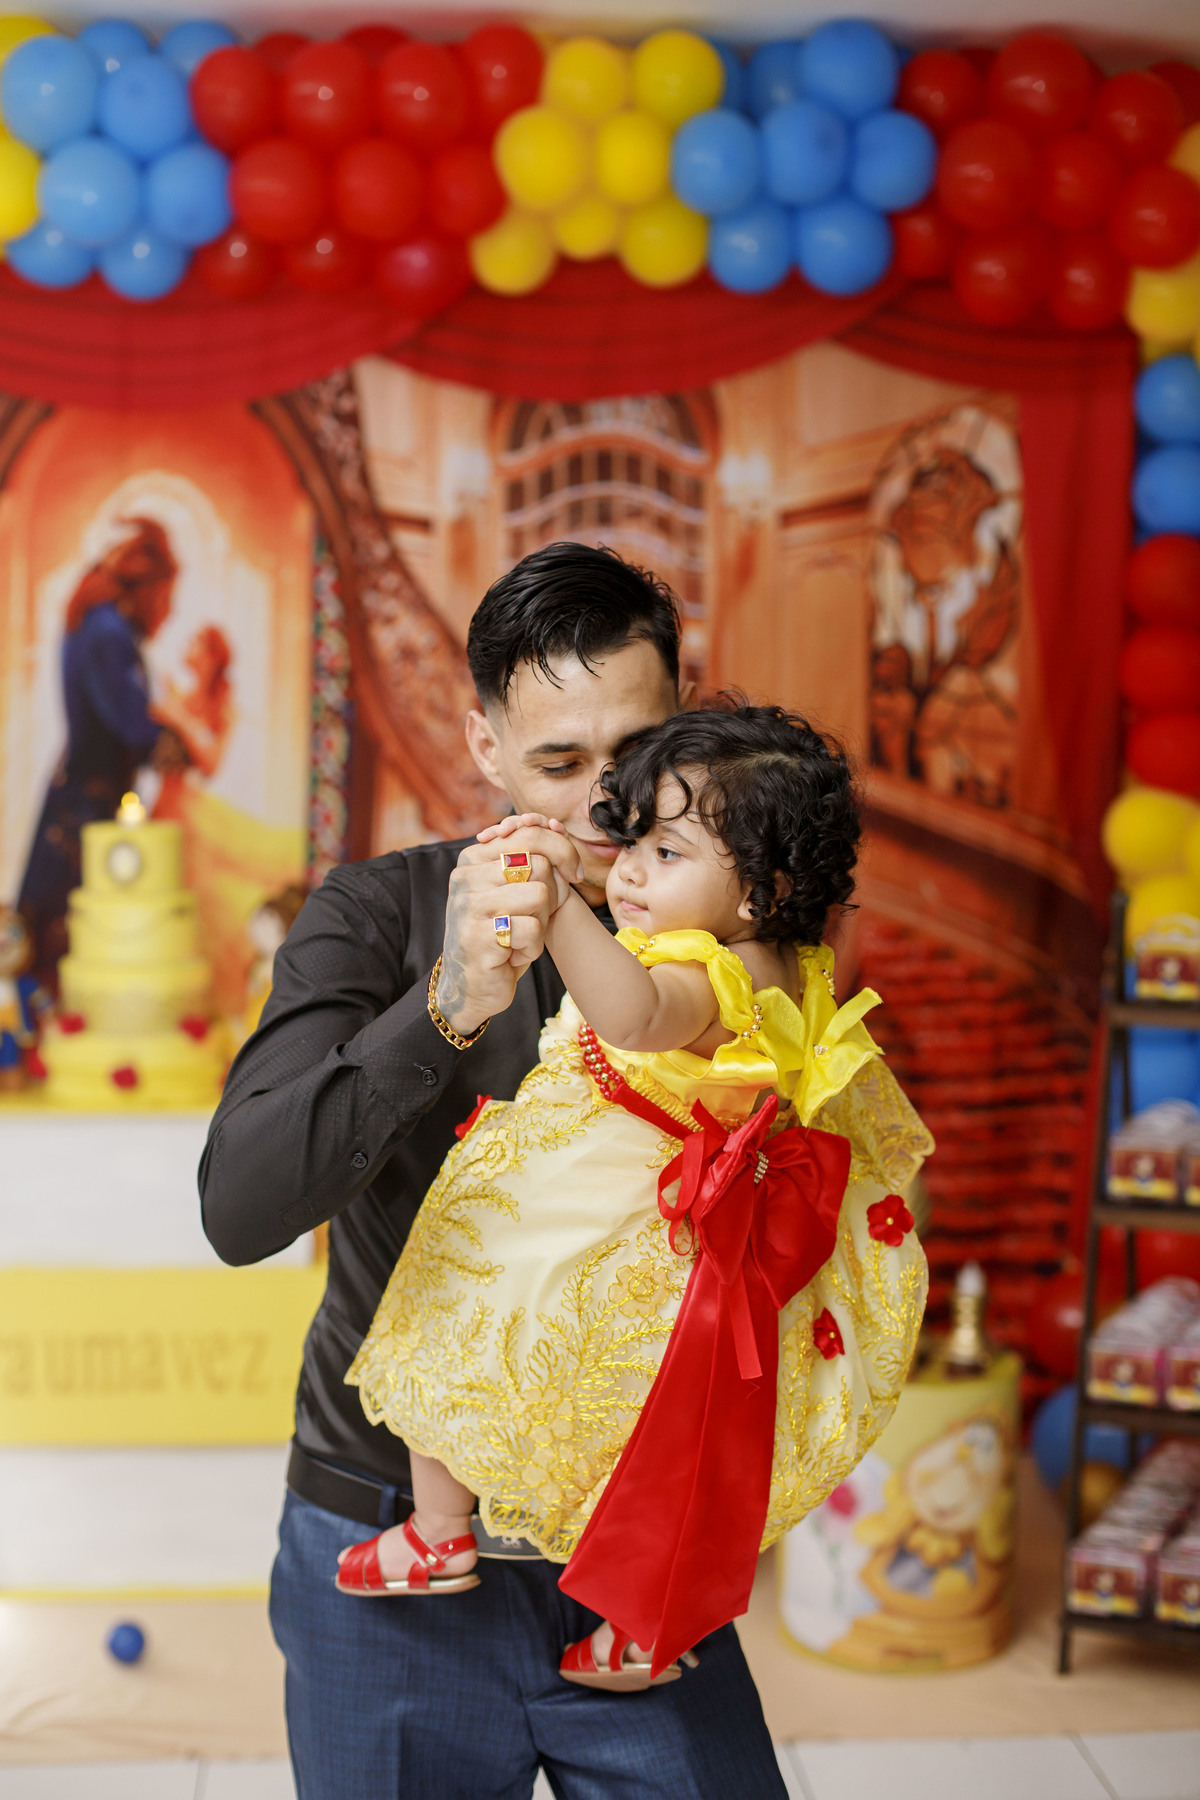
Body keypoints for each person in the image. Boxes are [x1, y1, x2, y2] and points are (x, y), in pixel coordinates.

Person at [201, 543, 800, 1798]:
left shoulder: (726, 927)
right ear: (485, 746)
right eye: (558, 765)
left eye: (633, 757)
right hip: (390, 1536)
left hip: (632, 1548)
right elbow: (240, 1208)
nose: (604, 808)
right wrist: (450, 1000)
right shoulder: (374, 913)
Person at [338, 704, 931, 1696]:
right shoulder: (786, 964)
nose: (630, 875)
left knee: (452, 1323)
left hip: (605, 1220)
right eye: (636, 842)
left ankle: (439, 1531)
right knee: (656, 1449)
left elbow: (635, 1014)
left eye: (667, 851)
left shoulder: (711, 973)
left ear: (764, 891)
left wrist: (561, 908)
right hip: (674, 1235)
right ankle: (640, 1627)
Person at [17, 518, 178, 988]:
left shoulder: (97, 623)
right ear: (148, 587)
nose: (168, 609)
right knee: (64, 944)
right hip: (85, 809)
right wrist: (176, 737)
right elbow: (132, 722)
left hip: (79, 797)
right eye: (166, 596)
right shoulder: (108, 632)